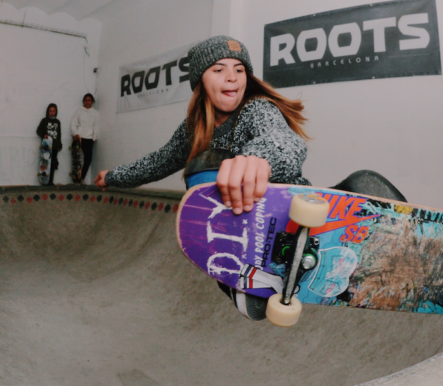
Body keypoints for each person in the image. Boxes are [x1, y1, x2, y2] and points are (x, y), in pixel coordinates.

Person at [93, 36, 405, 321]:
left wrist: (256, 159)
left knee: (365, 181)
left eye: (239, 70)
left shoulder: (257, 109)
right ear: (200, 80)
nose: (231, 77)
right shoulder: (193, 129)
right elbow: (158, 162)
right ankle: (246, 276)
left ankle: (407, 240)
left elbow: (285, 141)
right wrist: (113, 177)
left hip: (301, 219)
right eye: (219, 69)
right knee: (203, 165)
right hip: (246, 235)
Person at [70, 93, 100, 183]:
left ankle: (81, 178)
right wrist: (75, 134)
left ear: (92, 102)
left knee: (88, 159)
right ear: (84, 101)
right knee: (76, 160)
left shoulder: (95, 113)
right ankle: (75, 178)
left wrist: (94, 137)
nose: (87, 102)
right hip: (79, 138)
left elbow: (96, 126)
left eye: (89, 100)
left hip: (89, 139)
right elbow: (73, 123)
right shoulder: (79, 111)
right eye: (86, 100)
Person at [36, 103, 63, 185]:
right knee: (45, 164)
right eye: (50, 111)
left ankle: (50, 181)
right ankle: (44, 181)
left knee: (53, 164)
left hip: (54, 146)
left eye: (53, 111)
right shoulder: (44, 121)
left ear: (56, 112)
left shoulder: (57, 122)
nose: (52, 112)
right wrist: (43, 135)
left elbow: (59, 134)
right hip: (46, 147)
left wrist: (60, 144)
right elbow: (38, 130)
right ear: (48, 111)